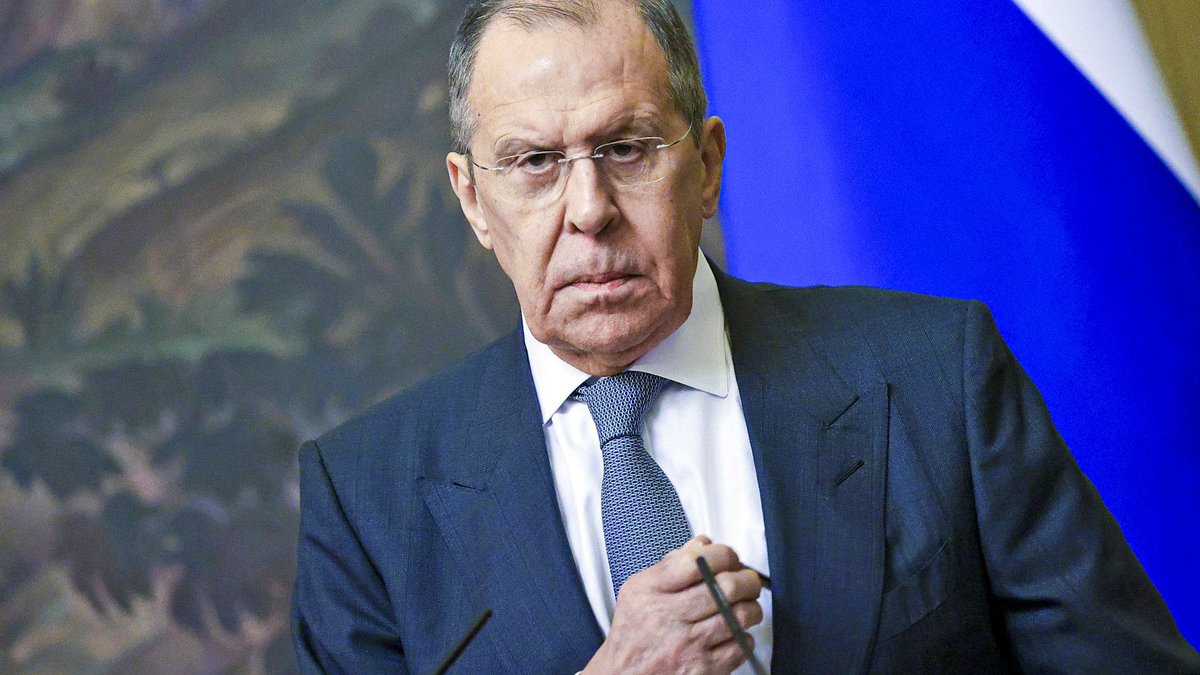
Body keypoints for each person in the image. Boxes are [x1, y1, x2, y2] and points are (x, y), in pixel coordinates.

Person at [291, 0, 1200, 672]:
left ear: (708, 164)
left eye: (627, 148)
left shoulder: (936, 375)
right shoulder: (368, 501)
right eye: (535, 162)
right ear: (471, 197)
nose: (589, 210)